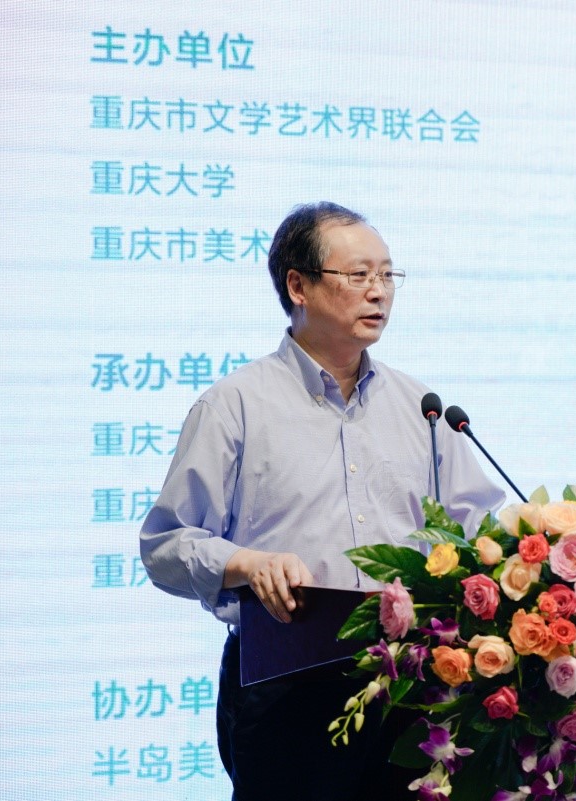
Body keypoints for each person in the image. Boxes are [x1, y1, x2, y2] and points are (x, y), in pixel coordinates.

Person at [140, 202, 506, 800]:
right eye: (358, 275)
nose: (379, 292)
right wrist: (245, 563)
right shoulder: (234, 406)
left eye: (387, 275)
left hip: (411, 683)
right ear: (298, 285)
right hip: (287, 687)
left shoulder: (422, 407)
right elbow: (165, 545)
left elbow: (480, 529)